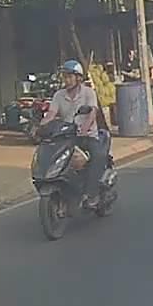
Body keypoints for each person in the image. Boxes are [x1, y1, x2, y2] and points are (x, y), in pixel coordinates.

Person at [37, 60, 105, 208]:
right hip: (66, 137)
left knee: (98, 156)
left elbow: (92, 113)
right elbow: (51, 113)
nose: (66, 80)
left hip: (86, 136)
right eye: (64, 77)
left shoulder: (88, 93)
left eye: (69, 77)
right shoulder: (59, 95)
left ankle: (92, 194)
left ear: (78, 78)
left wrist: (85, 128)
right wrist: (41, 127)